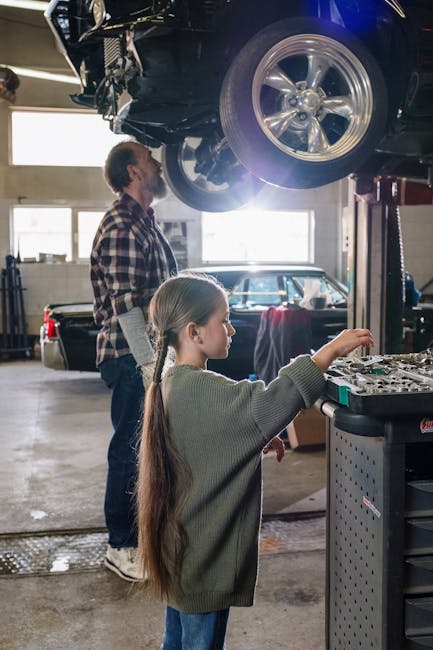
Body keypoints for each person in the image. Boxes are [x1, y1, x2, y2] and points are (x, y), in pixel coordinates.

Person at [136, 273, 374, 649]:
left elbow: (201, 442)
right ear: (194, 332)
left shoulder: (171, 384)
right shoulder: (204, 389)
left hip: (179, 553)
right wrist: (327, 354)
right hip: (204, 557)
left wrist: (248, 442)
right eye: (224, 319)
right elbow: (270, 403)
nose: (231, 329)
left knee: (176, 641)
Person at [90, 140, 177, 582]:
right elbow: (127, 310)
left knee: (149, 452)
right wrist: (150, 367)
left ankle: (142, 536)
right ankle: (120, 545)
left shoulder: (145, 222)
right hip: (130, 357)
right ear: (132, 172)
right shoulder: (123, 225)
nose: (157, 162)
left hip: (148, 356)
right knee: (129, 451)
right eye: (148, 158)